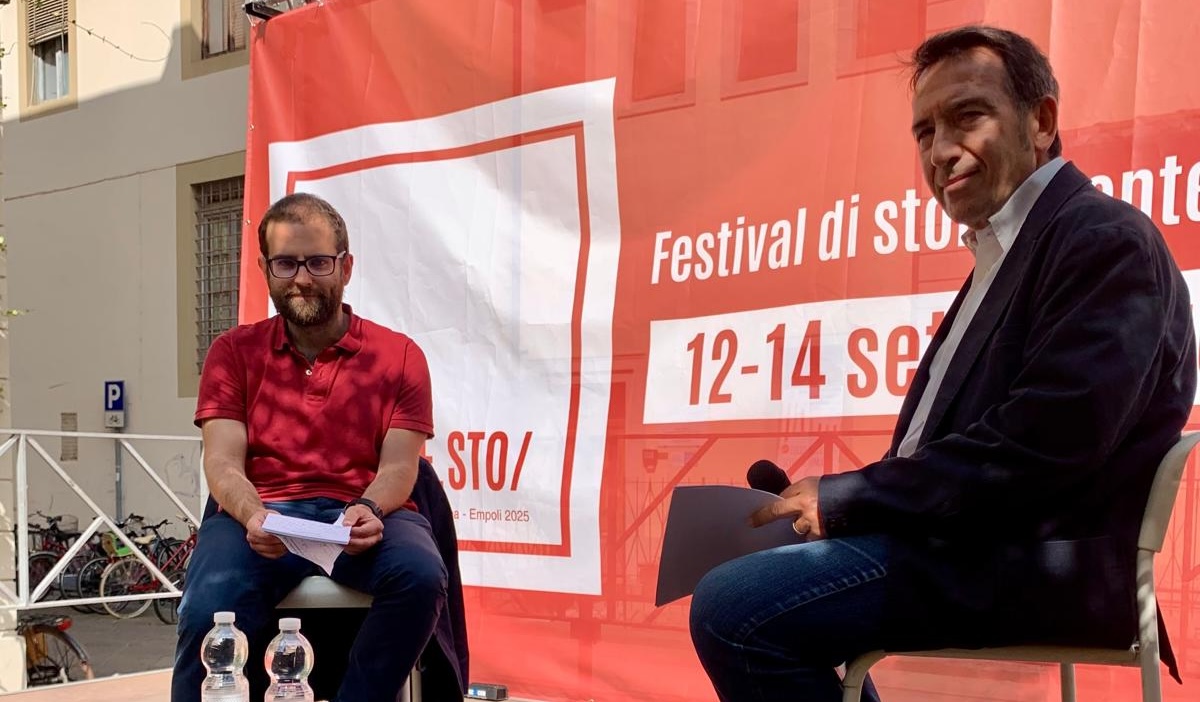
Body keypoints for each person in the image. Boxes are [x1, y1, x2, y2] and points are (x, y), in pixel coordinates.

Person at [689, 25, 1196, 702]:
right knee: (753, 582)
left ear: (1042, 121)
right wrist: (833, 507)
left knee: (736, 609)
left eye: (967, 116)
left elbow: (1045, 444)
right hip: (968, 549)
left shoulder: (1103, 239)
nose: (940, 151)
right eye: (924, 132)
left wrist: (851, 499)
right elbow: (962, 454)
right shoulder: (1009, 252)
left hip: (1031, 563)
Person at [172, 193, 450, 702]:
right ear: (264, 269)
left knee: (421, 577)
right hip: (262, 518)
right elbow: (222, 461)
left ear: (346, 266)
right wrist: (254, 515)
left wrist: (369, 507)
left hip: (358, 516)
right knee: (206, 607)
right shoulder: (231, 352)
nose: (301, 278)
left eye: (318, 262)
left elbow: (399, 467)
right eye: (285, 263)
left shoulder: (400, 355)